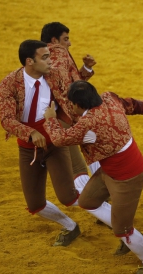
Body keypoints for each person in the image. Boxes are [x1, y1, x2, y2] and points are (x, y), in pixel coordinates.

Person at [43, 80, 143, 274]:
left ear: (79, 105)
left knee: (122, 230)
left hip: (128, 177)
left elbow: (60, 140)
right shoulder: (109, 98)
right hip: (111, 170)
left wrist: (50, 120)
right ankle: (131, 234)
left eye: (72, 103)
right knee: (87, 201)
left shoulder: (88, 123)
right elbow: (132, 104)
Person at [0, 40, 83, 246]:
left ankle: (110, 214)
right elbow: (6, 119)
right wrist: (30, 133)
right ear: (30, 61)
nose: (50, 61)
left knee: (68, 196)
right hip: (28, 149)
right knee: (35, 204)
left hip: (54, 143)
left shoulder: (55, 75)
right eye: (45, 57)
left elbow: (77, 89)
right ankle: (70, 226)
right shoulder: (9, 83)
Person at [41, 22, 99, 193]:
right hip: (63, 118)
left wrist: (86, 69)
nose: (69, 43)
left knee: (83, 161)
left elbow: (67, 83)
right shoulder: (58, 53)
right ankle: (102, 202)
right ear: (54, 40)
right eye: (66, 39)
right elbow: (68, 88)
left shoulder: (40, 58)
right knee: (83, 164)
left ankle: (104, 199)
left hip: (57, 119)